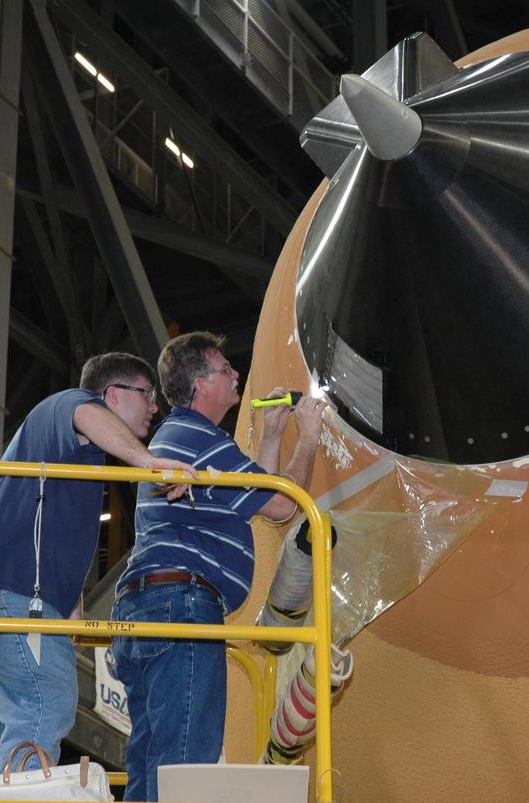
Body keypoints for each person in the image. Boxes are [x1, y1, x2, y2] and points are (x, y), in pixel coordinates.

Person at [0, 352, 194, 799]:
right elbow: (83, 412)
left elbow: (49, 526)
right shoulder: (67, 406)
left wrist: (70, 597)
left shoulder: (72, 459)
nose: (155, 407)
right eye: (147, 395)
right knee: (46, 698)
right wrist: (151, 462)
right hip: (10, 593)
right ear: (113, 394)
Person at [111, 331, 329, 802]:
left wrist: (272, 436)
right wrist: (307, 438)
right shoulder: (197, 436)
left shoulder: (186, 439)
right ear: (200, 385)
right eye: (225, 368)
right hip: (181, 608)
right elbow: (281, 504)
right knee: (186, 762)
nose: (236, 375)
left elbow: (247, 504)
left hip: (147, 606)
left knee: (152, 766)